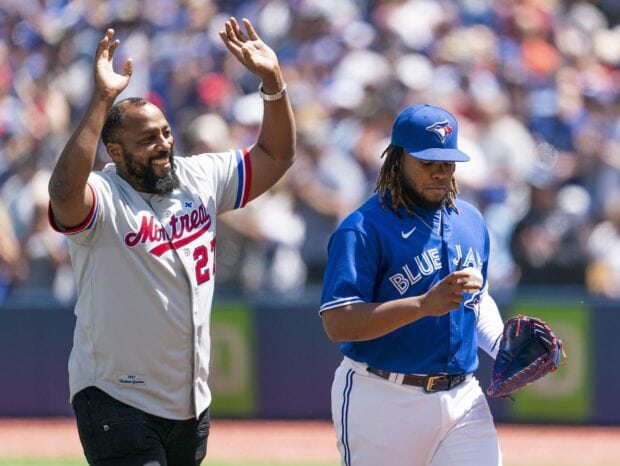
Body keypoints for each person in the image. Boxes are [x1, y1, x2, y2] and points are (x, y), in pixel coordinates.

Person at [48, 17, 294, 466]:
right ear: (115, 152)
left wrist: (273, 83)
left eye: (164, 133)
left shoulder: (197, 177)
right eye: (146, 140)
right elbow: (64, 193)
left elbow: (276, 155)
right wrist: (103, 98)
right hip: (116, 397)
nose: (163, 144)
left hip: (189, 402)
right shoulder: (103, 197)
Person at [319, 104, 505, 466]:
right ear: (398, 158)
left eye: (447, 163)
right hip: (384, 398)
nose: (440, 172)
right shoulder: (362, 228)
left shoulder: (470, 220)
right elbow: (338, 322)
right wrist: (422, 305)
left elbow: (475, 301)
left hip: (463, 397)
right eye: (427, 162)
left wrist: (504, 346)